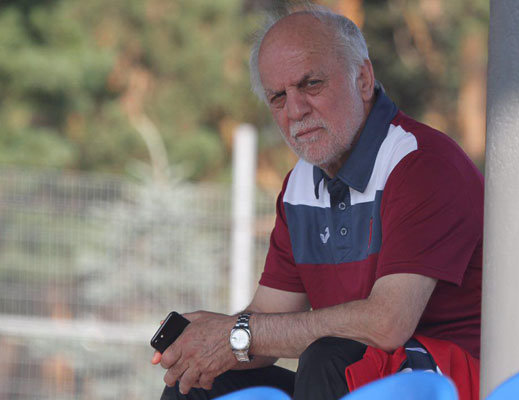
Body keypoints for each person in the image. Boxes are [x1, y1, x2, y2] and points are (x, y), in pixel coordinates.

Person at [154, 5, 483, 400]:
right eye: (278, 97)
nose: (296, 110)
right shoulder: (300, 185)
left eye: (311, 84)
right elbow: (268, 324)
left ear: (363, 79)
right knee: (198, 383)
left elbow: (388, 324)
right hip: (356, 377)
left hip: (449, 385)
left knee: (329, 357)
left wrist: (238, 333)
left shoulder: (422, 163)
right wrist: (210, 339)